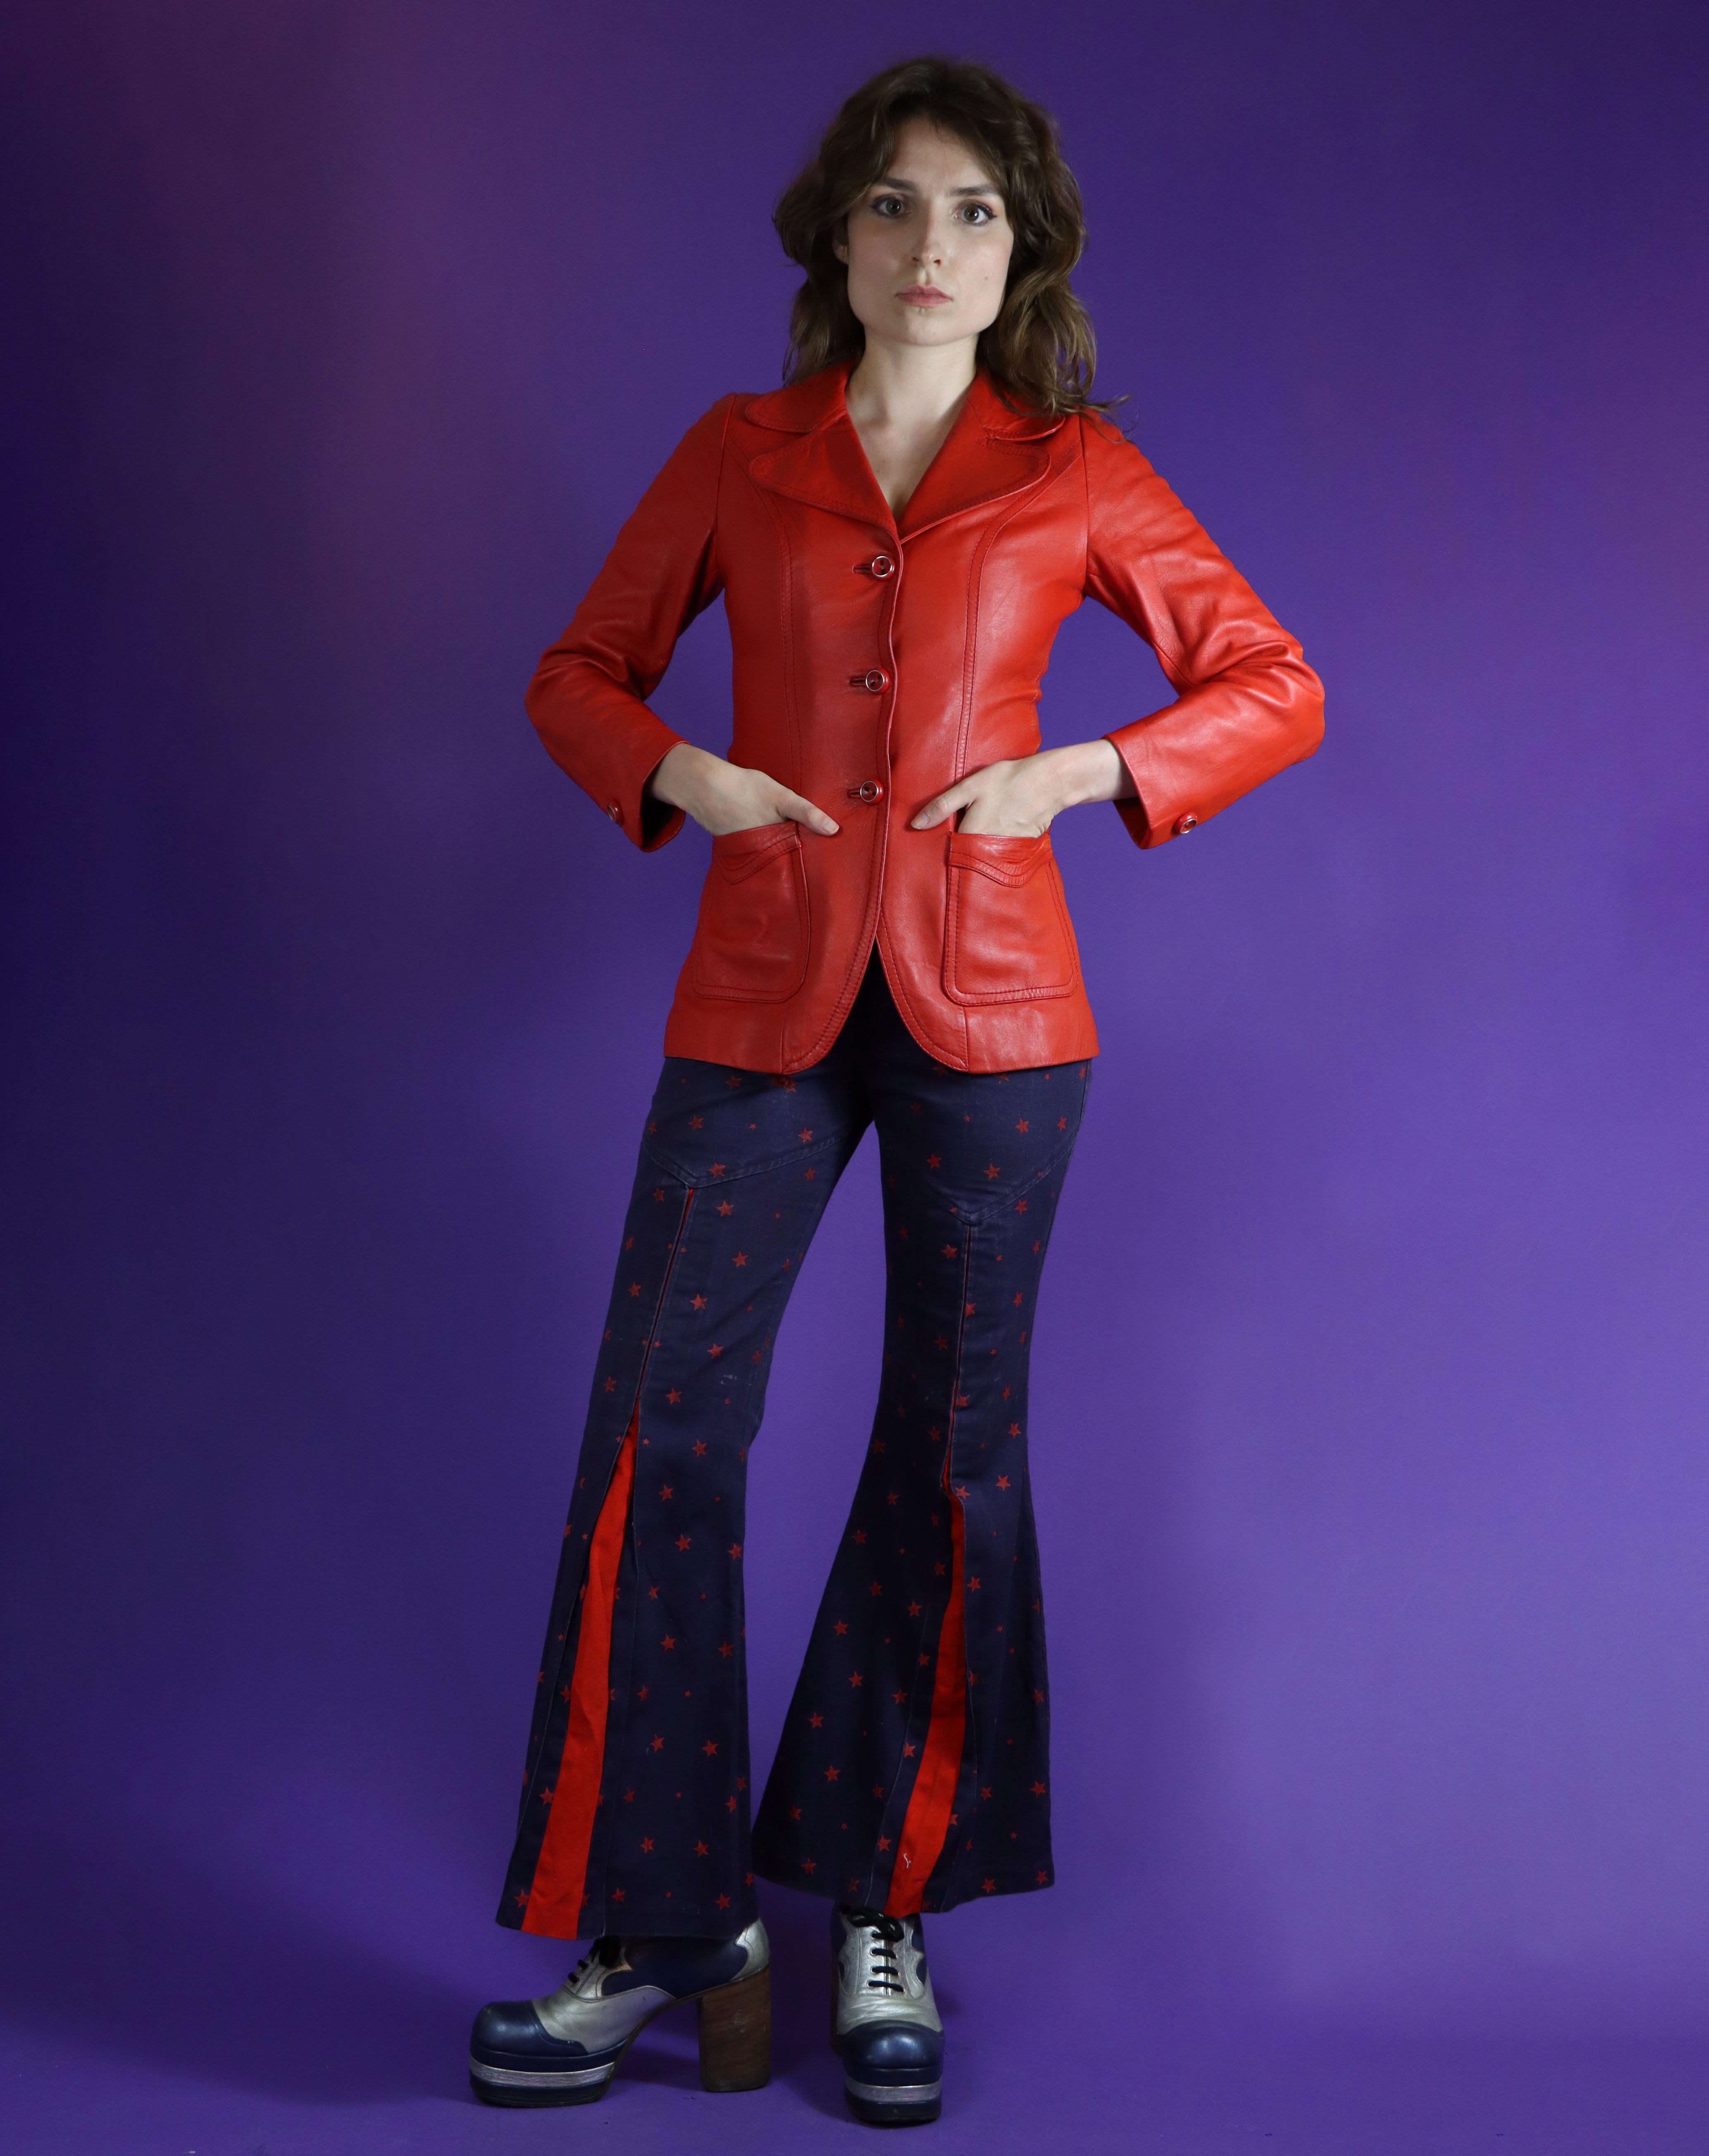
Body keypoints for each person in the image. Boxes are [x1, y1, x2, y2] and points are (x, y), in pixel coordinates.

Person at [468, 53, 1323, 2127]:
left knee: (952, 1449)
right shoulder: (738, 450)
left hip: (1001, 1011)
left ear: (1020, 253)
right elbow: (576, 675)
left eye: (972, 211)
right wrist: (683, 775)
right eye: (893, 204)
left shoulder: (1076, 469)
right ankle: (663, 1926)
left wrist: (1082, 773)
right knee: (661, 1430)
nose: (930, 244)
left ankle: (886, 1903)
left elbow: (1271, 683)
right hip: (759, 987)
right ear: (835, 238)